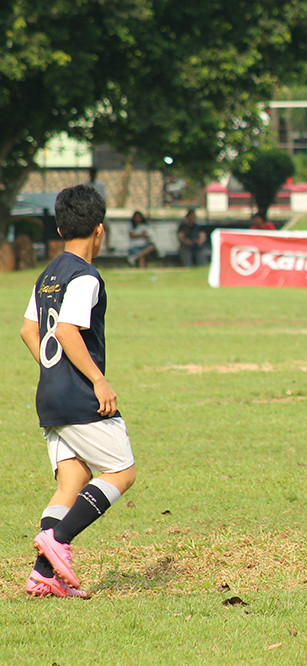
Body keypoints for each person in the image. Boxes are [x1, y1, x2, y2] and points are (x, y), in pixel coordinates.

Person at [19, 184, 137, 598]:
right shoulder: (85, 276)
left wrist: (51, 369)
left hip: (49, 395)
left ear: (59, 226)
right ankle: (59, 539)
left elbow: (29, 330)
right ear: (99, 230)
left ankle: (42, 575)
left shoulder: (48, 273)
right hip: (77, 396)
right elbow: (67, 331)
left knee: (72, 481)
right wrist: (97, 379)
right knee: (121, 471)